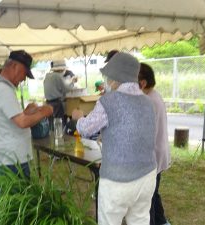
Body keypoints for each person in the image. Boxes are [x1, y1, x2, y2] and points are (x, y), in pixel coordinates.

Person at [76, 52, 157, 225]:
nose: (107, 80)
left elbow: (85, 129)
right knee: (140, 220)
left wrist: (78, 117)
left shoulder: (109, 101)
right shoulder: (148, 102)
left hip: (117, 180)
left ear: (115, 77)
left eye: (109, 77)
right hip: (147, 175)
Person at [0, 50, 53, 178]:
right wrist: (44, 112)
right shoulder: (3, 90)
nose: (23, 79)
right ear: (14, 66)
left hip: (11, 157)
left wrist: (26, 112)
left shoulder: (1, 88)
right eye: (24, 74)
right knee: (17, 195)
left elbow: (12, 119)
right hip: (13, 160)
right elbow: (22, 122)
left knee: (16, 195)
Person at [138, 63, 171, 225]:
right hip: (159, 152)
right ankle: (162, 221)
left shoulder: (148, 101)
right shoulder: (153, 95)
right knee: (153, 193)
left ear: (142, 83)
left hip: (152, 156)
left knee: (147, 200)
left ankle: (155, 221)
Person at [44, 60, 77, 126]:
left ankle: (52, 135)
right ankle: (60, 135)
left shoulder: (47, 76)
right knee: (59, 122)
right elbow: (66, 89)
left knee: (51, 122)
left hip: (48, 103)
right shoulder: (58, 76)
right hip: (56, 103)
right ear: (62, 69)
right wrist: (72, 83)